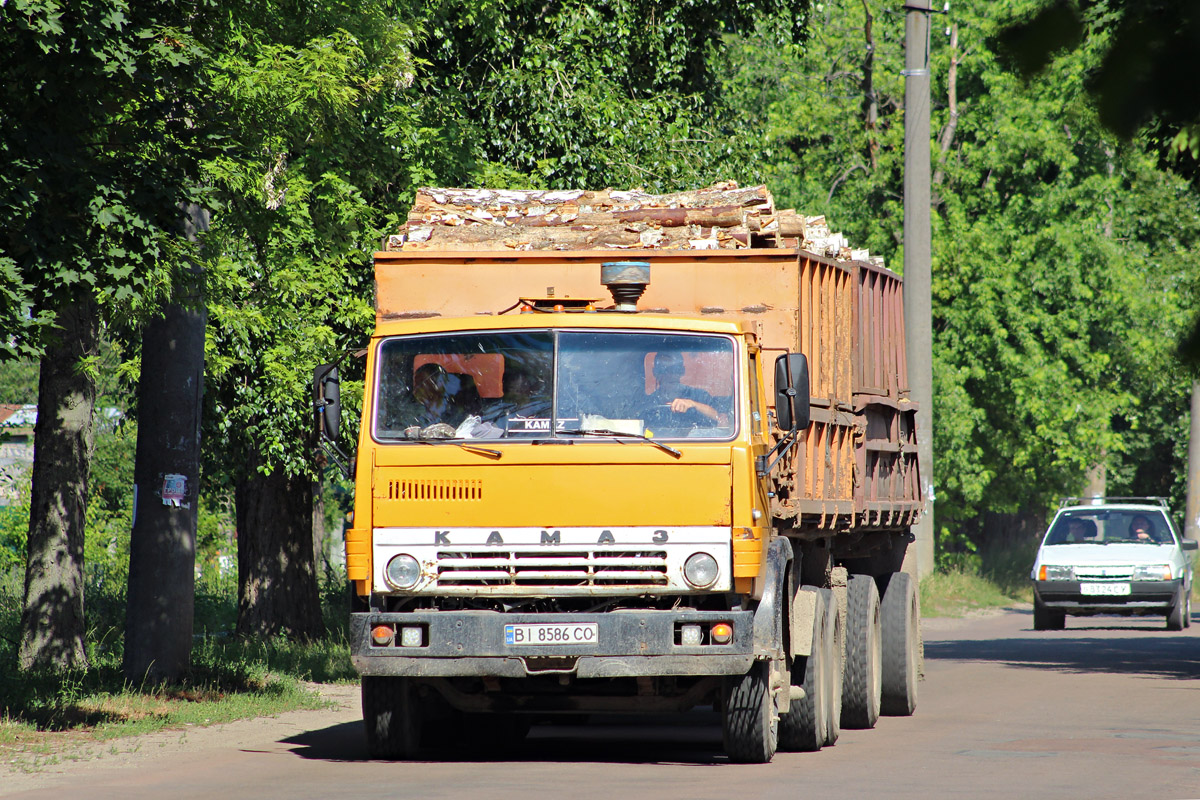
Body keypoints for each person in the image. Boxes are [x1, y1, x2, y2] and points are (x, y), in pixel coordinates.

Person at [645, 351, 729, 430]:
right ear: (655, 372)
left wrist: (693, 404)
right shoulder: (647, 403)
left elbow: (722, 420)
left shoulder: (700, 396)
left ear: (682, 370)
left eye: (675, 369)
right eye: (663, 370)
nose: (669, 374)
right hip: (655, 445)